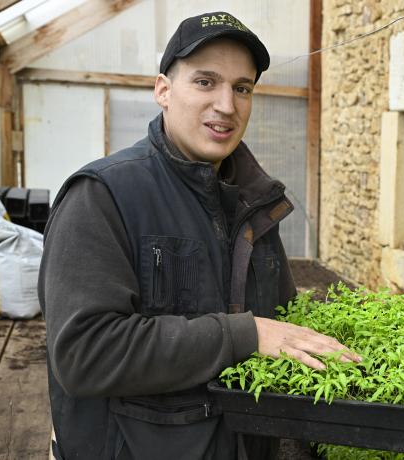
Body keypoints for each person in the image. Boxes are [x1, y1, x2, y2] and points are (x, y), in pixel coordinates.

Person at [38, 11, 359, 460]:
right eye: (205, 82)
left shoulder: (254, 200)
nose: (227, 105)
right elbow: (85, 353)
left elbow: (280, 320)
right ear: (163, 90)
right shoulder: (103, 196)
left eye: (242, 88)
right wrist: (242, 335)